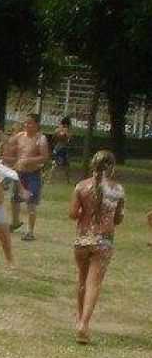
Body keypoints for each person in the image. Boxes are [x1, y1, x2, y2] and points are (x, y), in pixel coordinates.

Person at [68, 150, 125, 344]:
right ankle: (84, 323)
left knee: (82, 280)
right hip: (104, 240)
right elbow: (117, 218)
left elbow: (73, 213)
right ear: (113, 168)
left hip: (83, 239)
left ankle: (79, 318)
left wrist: (86, 210)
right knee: (94, 284)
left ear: (92, 165)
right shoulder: (117, 190)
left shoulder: (82, 186)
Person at [10, 113, 49, 241]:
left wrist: (29, 160)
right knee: (14, 199)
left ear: (37, 125)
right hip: (19, 173)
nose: (26, 125)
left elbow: (44, 157)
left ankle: (30, 231)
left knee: (30, 202)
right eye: (25, 123)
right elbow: (9, 144)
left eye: (30, 123)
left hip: (33, 174)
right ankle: (15, 222)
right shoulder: (20, 136)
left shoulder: (41, 139)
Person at [45, 116, 72, 184]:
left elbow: (54, 137)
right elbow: (69, 138)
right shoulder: (66, 129)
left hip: (57, 146)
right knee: (59, 164)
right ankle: (50, 179)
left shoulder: (57, 129)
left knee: (64, 164)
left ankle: (67, 180)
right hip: (64, 147)